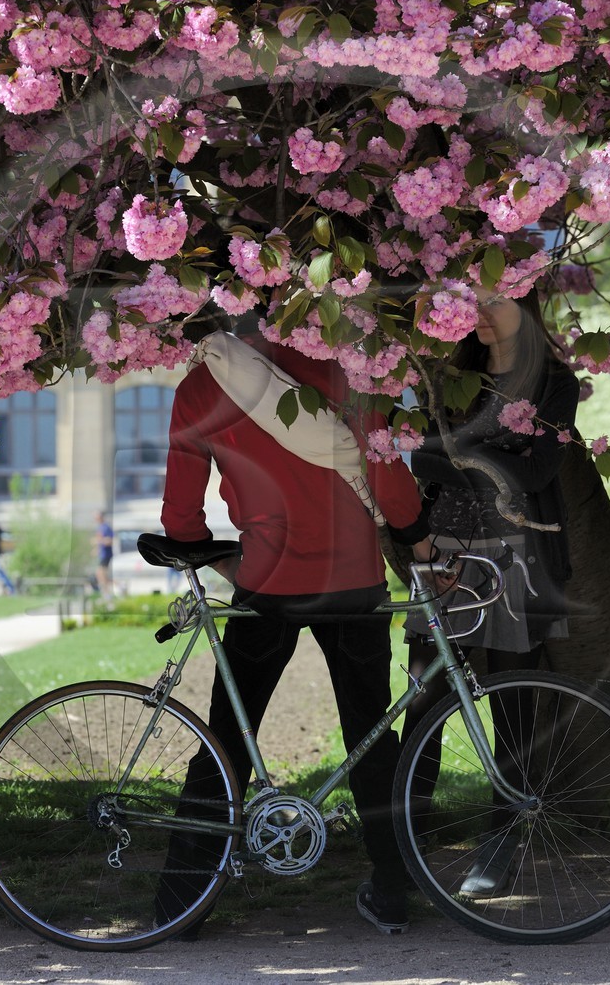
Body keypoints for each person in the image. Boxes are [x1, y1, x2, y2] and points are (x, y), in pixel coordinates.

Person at [154, 321, 436, 938]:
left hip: (265, 583)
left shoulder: (203, 382)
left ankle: (181, 901)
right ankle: (392, 892)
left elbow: (180, 512)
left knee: (227, 740)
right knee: (371, 737)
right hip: (353, 578)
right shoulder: (351, 367)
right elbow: (387, 480)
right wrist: (416, 538)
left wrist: (212, 554)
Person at [402, 290, 578, 897]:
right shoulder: (452, 376)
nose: (475, 308)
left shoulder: (555, 381)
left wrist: (459, 454)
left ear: (527, 303)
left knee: (514, 709)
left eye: (493, 298)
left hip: (515, 556)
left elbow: (537, 474)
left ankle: (502, 844)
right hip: (443, 551)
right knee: (422, 702)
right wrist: (488, 455)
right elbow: (420, 463)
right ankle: (406, 839)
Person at [93, 510, 114, 594]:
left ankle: (107, 593)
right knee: (100, 574)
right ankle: (108, 591)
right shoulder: (99, 527)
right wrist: (96, 549)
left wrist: (100, 541)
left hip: (106, 554)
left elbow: (110, 541)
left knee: (101, 574)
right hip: (102, 555)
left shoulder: (106, 527)